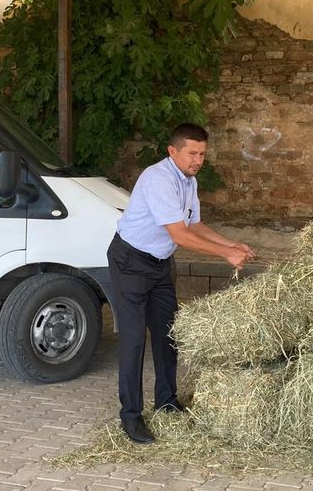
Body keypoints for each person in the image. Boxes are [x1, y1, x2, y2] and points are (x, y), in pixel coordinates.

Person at [107, 123, 254, 444]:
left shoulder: (189, 181)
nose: (198, 159)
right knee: (133, 341)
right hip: (130, 261)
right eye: (192, 153)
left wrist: (232, 245)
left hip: (159, 264)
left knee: (168, 334)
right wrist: (225, 255)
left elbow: (194, 224)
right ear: (172, 151)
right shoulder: (159, 179)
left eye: (202, 154)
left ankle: (166, 402)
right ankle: (130, 416)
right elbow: (180, 235)